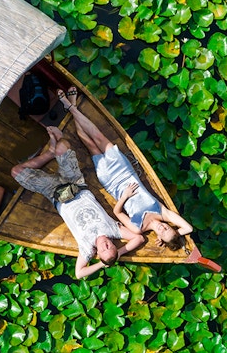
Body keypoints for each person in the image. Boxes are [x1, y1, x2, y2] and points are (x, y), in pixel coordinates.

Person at [59, 90, 193, 249]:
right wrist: (175, 235)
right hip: (125, 171)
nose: (163, 228)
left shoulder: (138, 228)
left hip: (111, 183)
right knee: (99, 137)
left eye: (163, 233)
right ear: (172, 227)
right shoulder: (163, 213)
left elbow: (118, 213)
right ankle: (71, 106)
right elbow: (188, 228)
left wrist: (125, 196)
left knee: (89, 144)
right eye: (168, 229)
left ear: (159, 238)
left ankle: (72, 105)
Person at [11, 126, 145, 278]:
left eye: (104, 250)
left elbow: (79, 273)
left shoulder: (87, 248)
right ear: (114, 245)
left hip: (54, 193)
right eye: (110, 247)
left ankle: (49, 153)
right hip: (76, 184)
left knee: (16, 172)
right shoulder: (113, 230)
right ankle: (55, 150)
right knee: (62, 146)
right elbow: (139, 238)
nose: (106, 245)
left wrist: (103, 263)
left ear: (98, 253)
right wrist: (118, 254)